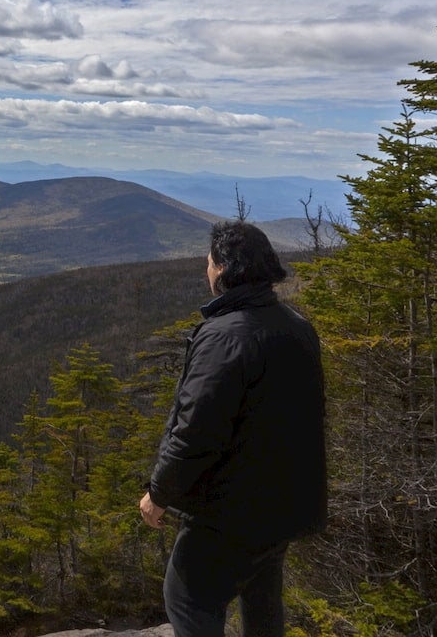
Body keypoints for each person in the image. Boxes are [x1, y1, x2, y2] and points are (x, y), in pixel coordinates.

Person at [138, 220, 327, 637]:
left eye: (208, 263)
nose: (206, 271)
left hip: (229, 510)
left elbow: (195, 431)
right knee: (261, 600)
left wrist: (159, 493)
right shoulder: (296, 326)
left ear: (223, 269)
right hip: (283, 505)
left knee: (187, 597)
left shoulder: (224, 337)